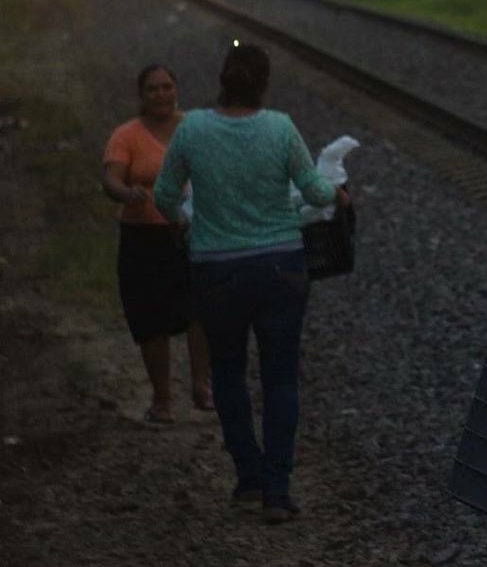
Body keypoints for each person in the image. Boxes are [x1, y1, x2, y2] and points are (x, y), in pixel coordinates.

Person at [153, 42, 350, 524]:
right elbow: (315, 190)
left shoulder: (193, 128)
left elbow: (163, 195)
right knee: (281, 378)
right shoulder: (280, 128)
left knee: (227, 370)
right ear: (263, 84)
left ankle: (248, 475)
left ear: (222, 80)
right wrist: (339, 195)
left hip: (216, 269)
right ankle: (278, 491)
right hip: (280, 268)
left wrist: (183, 223)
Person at [101, 63, 213, 425]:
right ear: (142, 96)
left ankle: (202, 387)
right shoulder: (126, 135)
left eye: (167, 87)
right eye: (153, 89)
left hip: (191, 233)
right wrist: (126, 192)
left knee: (200, 310)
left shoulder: (195, 126)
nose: (161, 94)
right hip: (143, 237)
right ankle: (162, 399)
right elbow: (111, 179)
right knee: (152, 319)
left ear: (176, 89)